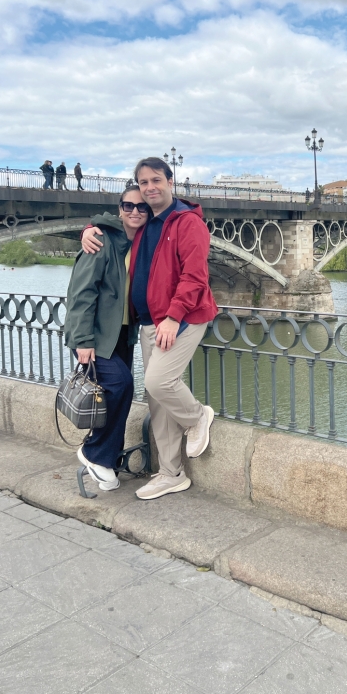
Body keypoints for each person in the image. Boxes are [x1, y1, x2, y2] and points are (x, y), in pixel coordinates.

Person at [82, 155, 218, 501]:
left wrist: (173, 316)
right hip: (148, 321)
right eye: (144, 182)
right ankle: (171, 473)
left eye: (156, 180)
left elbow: (195, 276)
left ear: (171, 181)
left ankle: (196, 417)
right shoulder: (147, 223)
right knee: (156, 400)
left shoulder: (187, 222)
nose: (150, 188)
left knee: (158, 381)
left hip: (183, 318)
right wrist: (89, 229)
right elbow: (116, 224)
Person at [64, 185, 150, 490]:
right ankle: (94, 453)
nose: (135, 211)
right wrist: (82, 340)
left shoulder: (143, 240)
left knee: (118, 393)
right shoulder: (101, 239)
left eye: (142, 207)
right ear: (119, 209)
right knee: (120, 384)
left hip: (123, 333)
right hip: (96, 334)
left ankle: (108, 458)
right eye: (129, 206)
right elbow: (82, 292)